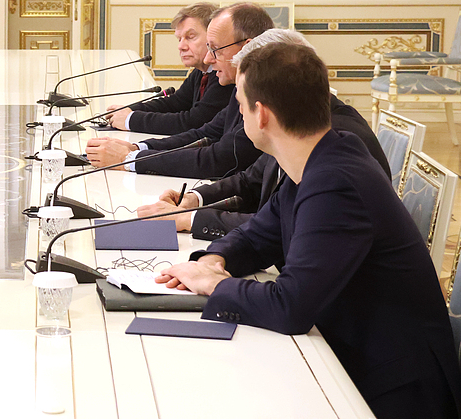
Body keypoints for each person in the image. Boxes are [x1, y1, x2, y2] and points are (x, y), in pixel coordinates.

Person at [156, 43, 461, 419]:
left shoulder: (336, 182)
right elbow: (258, 236)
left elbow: (290, 307)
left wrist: (214, 284)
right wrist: (214, 259)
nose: (238, 112)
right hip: (350, 355)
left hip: (390, 390)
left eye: (240, 104)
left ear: (262, 114)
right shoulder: (321, 156)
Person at [135, 29, 392, 238]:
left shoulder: (328, 146)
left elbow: (282, 233)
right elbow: (252, 183)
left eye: (243, 103)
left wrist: (189, 220)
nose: (241, 111)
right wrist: (194, 201)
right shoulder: (295, 127)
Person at [86, 2, 273, 178]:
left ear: (246, 49)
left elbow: (217, 158)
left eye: (215, 49)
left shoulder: (260, 95)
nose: (208, 58)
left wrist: (128, 159)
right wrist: (137, 148)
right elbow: (203, 133)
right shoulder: (236, 85)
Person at [107, 2, 232, 135]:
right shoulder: (201, 72)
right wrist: (129, 110)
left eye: (190, 37)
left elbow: (192, 122)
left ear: (212, 38)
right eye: (179, 39)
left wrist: (131, 120)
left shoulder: (225, 76)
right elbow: (175, 103)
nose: (181, 46)